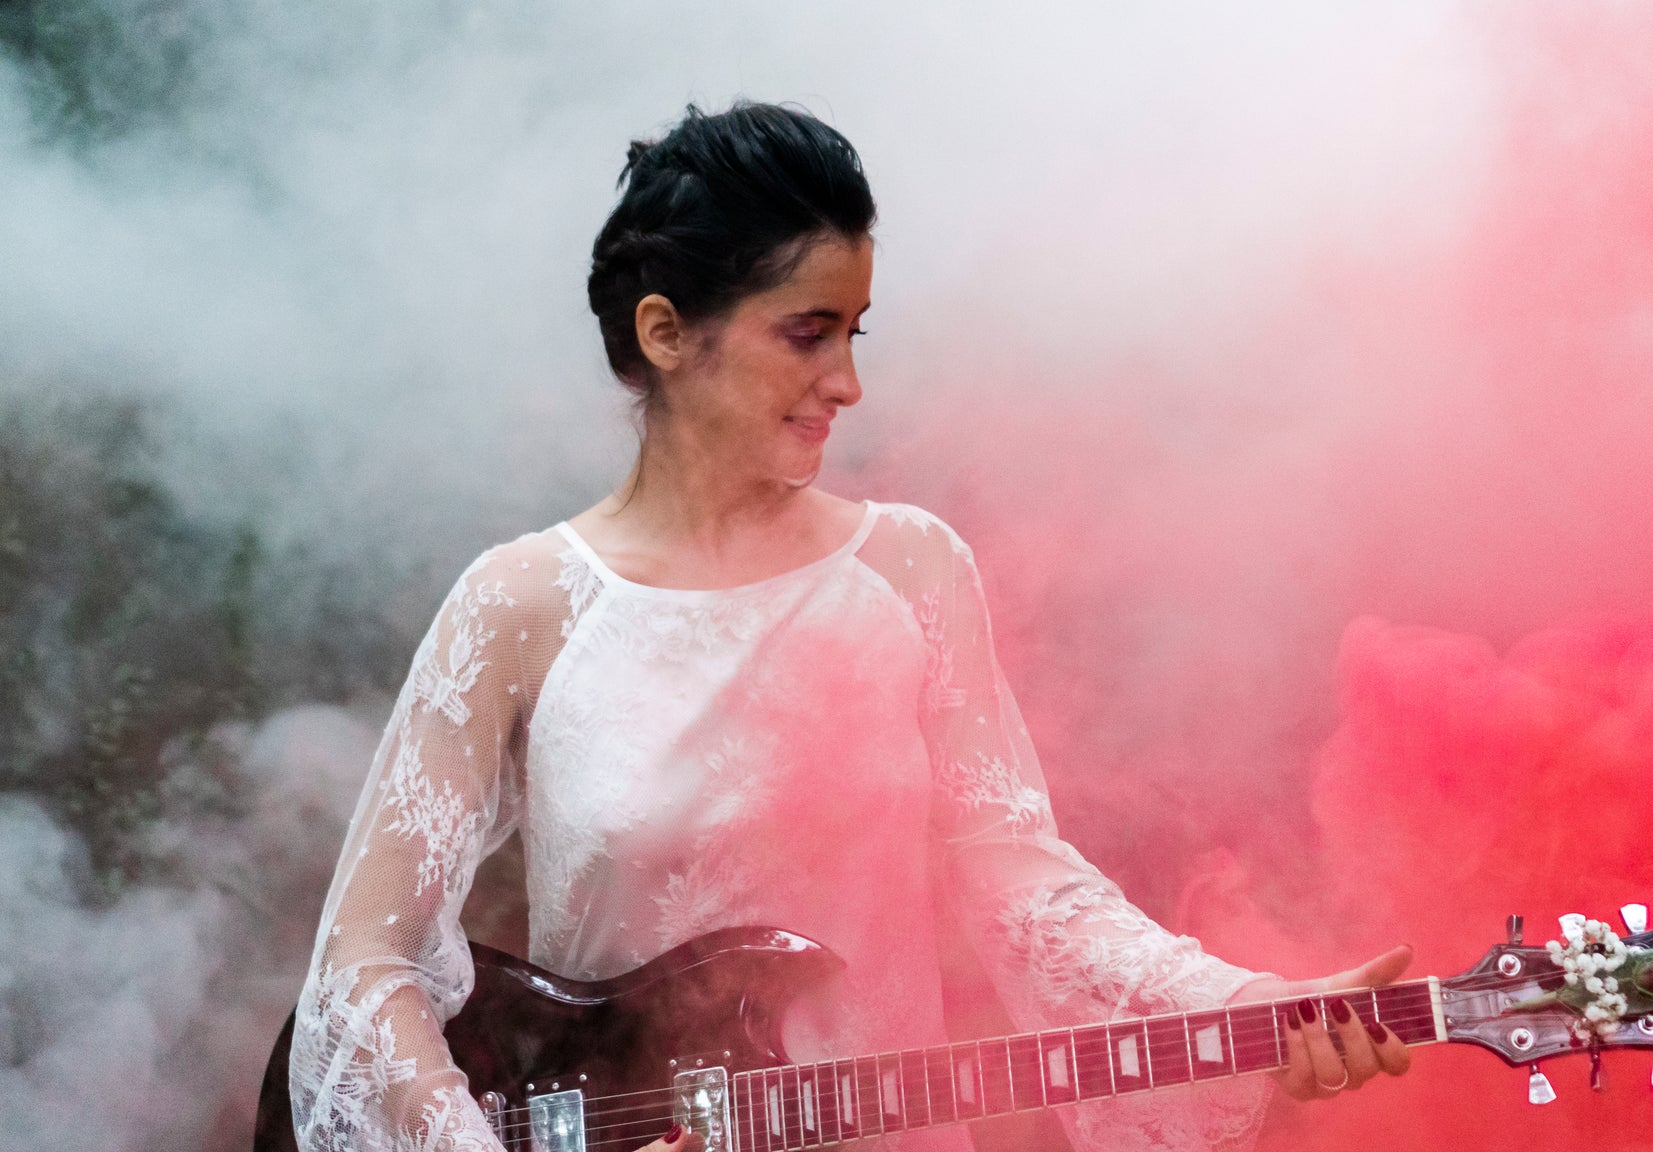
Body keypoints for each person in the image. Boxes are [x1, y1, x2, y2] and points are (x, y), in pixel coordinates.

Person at [288, 100, 1412, 1152]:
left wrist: (1250, 1008)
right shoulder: (521, 603)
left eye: (856, 333)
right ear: (667, 333)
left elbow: (1025, 888)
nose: (848, 383)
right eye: (808, 334)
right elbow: (365, 963)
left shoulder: (911, 571)